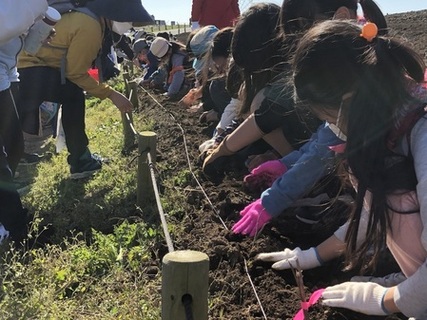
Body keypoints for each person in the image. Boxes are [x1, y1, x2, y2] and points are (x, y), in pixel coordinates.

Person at [257, 20, 427, 319]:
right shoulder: (389, 129)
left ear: (349, 101)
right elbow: (375, 213)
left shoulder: (422, 135)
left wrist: (387, 298)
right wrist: (311, 256)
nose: (332, 129)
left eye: (329, 118)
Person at [205, 0, 387, 236]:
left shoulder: (356, 83)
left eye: (301, 36)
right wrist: (284, 164)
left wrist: (271, 201)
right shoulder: (352, 67)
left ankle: (341, 199)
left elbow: (318, 155)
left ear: (341, 16)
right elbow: (325, 140)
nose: (298, 46)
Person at [17, 0, 153, 180]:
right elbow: (76, 73)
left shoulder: (86, 17)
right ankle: (79, 161)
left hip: (31, 65)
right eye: (128, 20)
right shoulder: (90, 26)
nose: (129, 25)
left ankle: (75, 158)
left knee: (22, 114)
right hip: (30, 68)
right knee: (71, 96)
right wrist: (111, 94)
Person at [0, 0, 49, 244]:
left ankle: (10, 217)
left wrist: (32, 31)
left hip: (7, 70)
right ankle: (13, 227)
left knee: (15, 146)